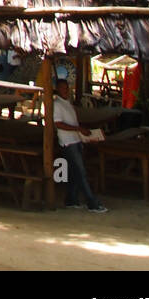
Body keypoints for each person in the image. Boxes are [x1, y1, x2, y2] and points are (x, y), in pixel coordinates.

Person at [53, 79, 107, 212]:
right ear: (57, 89)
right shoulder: (57, 104)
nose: (66, 90)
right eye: (63, 88)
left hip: (75, 140)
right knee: (81, 172)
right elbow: (58, 124)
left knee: (74, 172)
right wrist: (78, 129)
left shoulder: (67, 103)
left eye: (67, 88)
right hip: (68, 142)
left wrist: (82, 134)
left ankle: (71, 199)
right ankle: (92, 202)